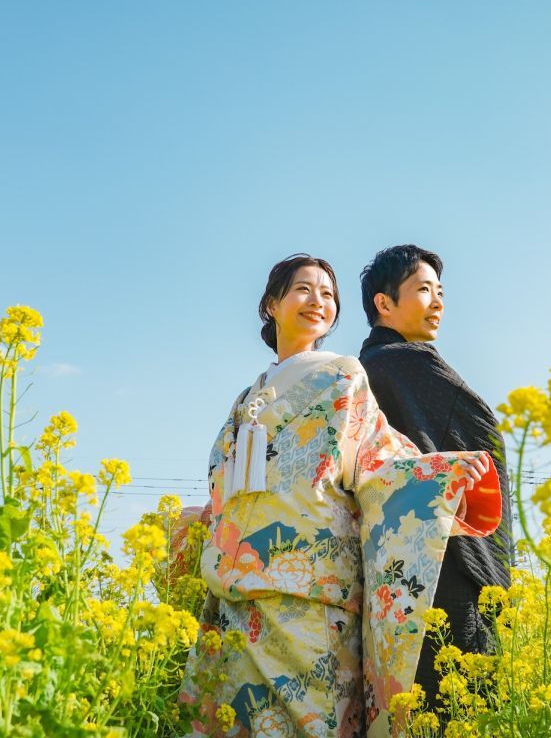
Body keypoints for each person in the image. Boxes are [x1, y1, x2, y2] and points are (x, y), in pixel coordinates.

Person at [177, 254, 503, 738]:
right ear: (272, 305)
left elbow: (378, 461)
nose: (318, 301)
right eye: (303, 289)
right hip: (238, 595)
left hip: (313, 591)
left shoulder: (343, 376)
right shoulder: (247, 399)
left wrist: (445, 473)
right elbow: (230, 489)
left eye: (328, 294)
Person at [357, 245, 512, 692]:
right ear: (383, 303)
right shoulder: (406, 363)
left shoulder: (362, 370)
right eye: (423, 290)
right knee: (460, 696)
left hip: (385, 569)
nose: (438, 302)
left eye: (440, 291)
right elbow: (482, 438)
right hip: (446, 562)